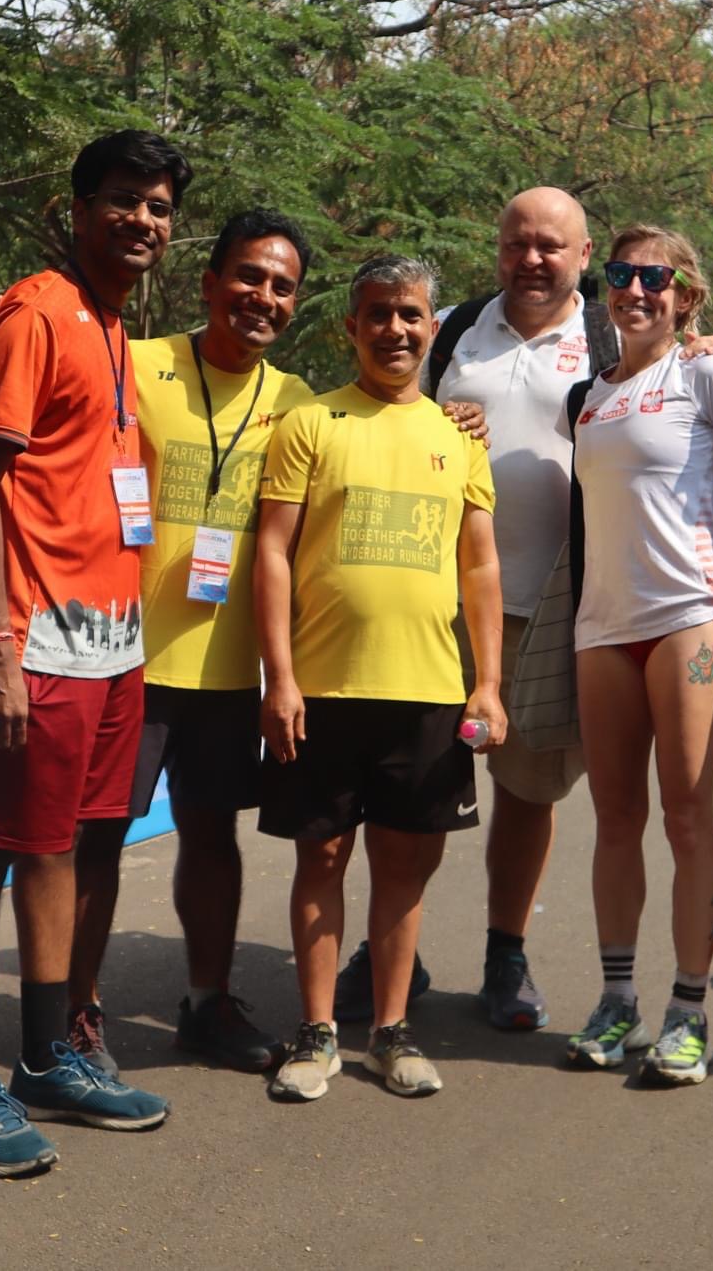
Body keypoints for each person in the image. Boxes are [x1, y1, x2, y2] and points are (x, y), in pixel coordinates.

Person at [341, 186, 713, 1034]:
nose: (533, 259)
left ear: (584, 257)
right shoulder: (447, 327)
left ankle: (505, 952)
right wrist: (435, 418)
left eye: (553, 246)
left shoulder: (611, 335)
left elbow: (680, 366)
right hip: (437, 598)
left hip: (561, 601)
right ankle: (383, 950)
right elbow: (383, 404)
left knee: (529, 791)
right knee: (413, 790)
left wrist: (697, 340)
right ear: (498, 246)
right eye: (518, 242)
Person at [0, 130, 190, 1178]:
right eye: (123, 200)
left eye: (160, 206)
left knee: (68, 850)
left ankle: (44, 1059)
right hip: (33, 642)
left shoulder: (115, 326)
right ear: (76, 207)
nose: (143, 222)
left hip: (110, 646)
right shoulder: (36, 311)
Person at [60, 210, 317, 1079]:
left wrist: (459, 414)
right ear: (208, 283)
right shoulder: (138, 363)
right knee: (94, 841)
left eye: (282, 286)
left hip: (229, 664)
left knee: (213, 835)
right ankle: (74, 1015)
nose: (263, 297)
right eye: (248, 277)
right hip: (124, 652)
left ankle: (208, 1004)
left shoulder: (299, 406)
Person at [561, 226, 713, 1086]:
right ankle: (618, 999)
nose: (634, 290)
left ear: (686, 294)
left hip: (685, 625)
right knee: (615, 819)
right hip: (601, 628)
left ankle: (689, 1010)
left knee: (685, 815)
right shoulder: (585, 397)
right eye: (620, 275)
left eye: (654, 278)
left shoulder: (706, 375)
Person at [254, 255, 504, 1101]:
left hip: (429, 692)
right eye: (379, 314)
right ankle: (318, 1031)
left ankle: (390, 1031)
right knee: (320, 855)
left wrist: (489, 683)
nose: (396, 329)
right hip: (322, 690)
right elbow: (273, 553)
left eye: (412, 315)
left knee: (405, 868)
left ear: (433, 327)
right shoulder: (311, 424)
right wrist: (278, 678)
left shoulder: (458, 435)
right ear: (351, 327)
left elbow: (480, 569)